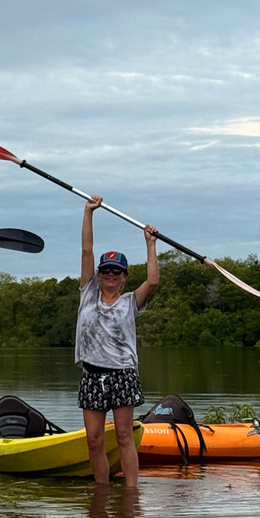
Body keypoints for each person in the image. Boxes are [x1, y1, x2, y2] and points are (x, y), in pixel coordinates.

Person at [77, 194, 159, 488]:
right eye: (106, 270)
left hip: (122, 374)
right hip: (92, 374)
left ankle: (131, 492)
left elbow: (153, 281)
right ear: (99, 274)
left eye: (116, 271)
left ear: (124, 276)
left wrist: (150, 244)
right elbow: (87, 250)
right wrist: (89, 213)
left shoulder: (130, 301)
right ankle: (101, 491)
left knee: (124, 436)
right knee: (94, 438)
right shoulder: (88, 291)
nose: (110, 274)